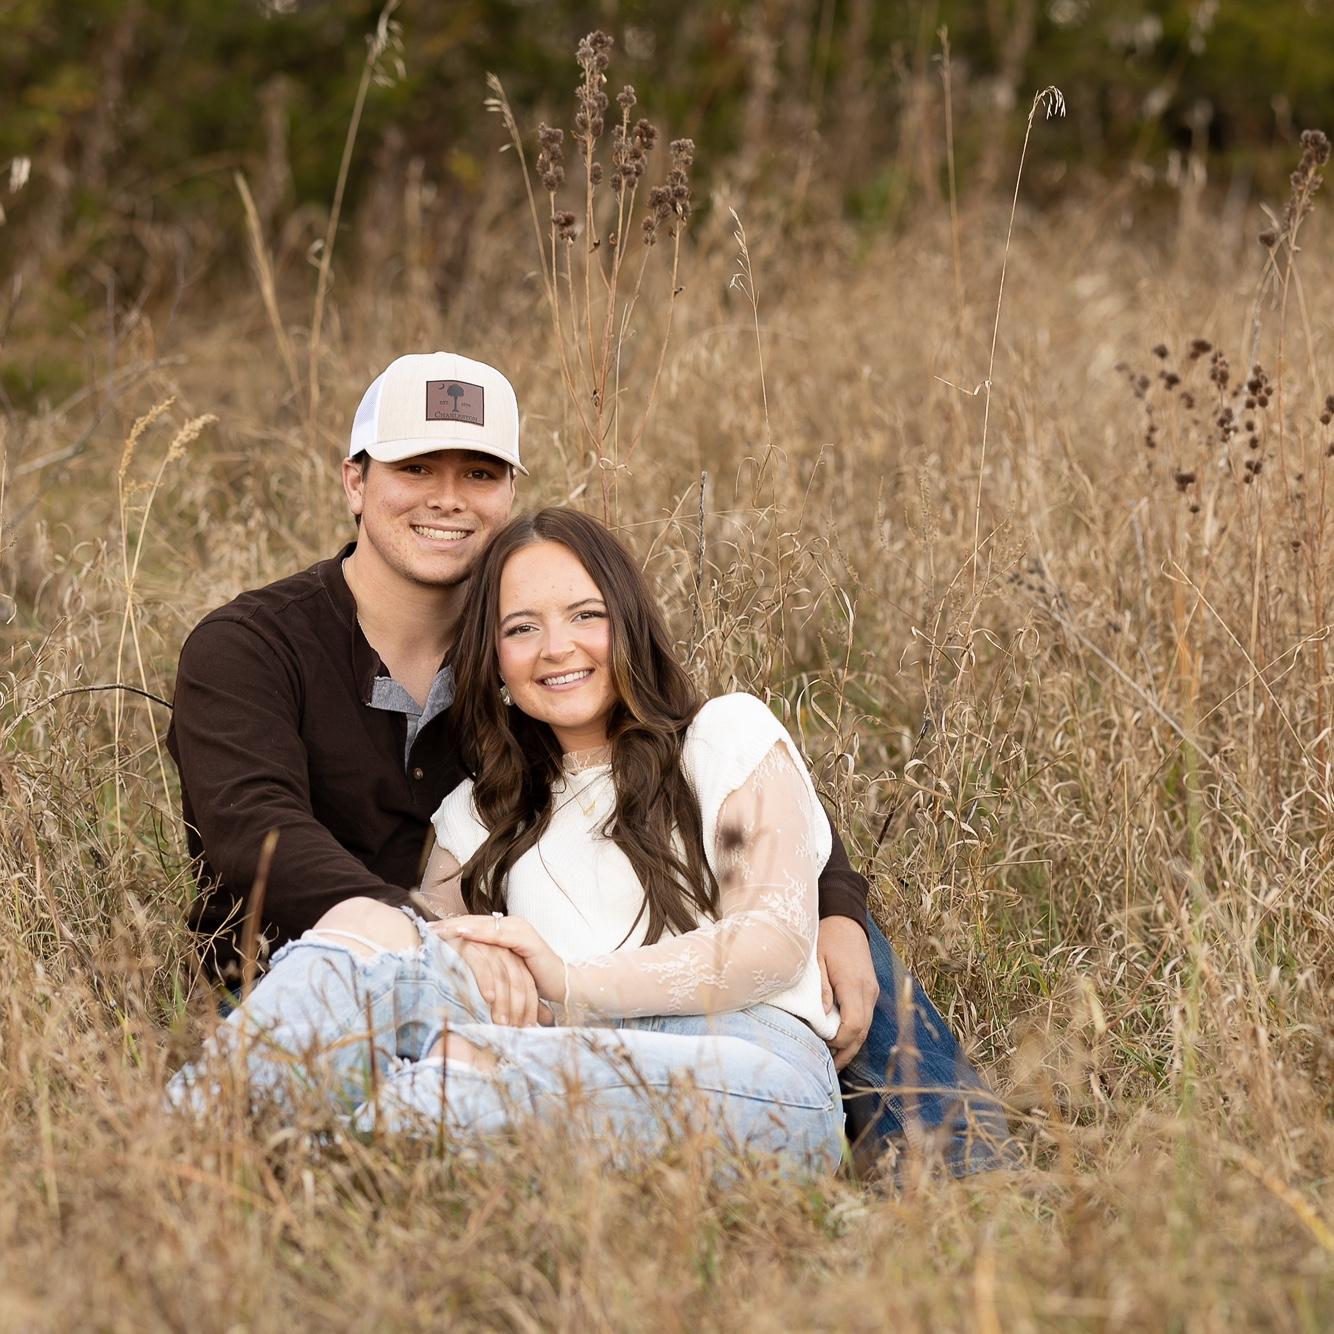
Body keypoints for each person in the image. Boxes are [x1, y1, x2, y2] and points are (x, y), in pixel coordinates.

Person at [166, 350, 1011, 1173]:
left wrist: (837, 906)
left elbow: (750, 825)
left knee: (821, 934)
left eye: (479, 474)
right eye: (415, 468)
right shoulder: (258, 652)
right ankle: (211, 1150)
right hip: (335, 974)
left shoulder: (638, 715)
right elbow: (258, 836)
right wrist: (429, 941)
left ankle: (955, 1154)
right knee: (391, 965)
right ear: (355, 482)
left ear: (508, 493)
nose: (447, 498)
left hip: (643, 1017)